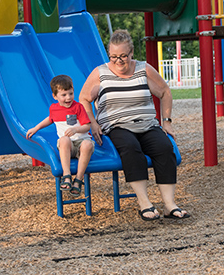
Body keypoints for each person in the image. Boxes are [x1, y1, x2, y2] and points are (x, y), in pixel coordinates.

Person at [79, 29, 190, 221]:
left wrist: (167, 121)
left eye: (123, 56)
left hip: (147, 124)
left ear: (131, 53)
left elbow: (164, 92)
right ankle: (144, 203)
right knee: (131, 147)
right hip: (117, 126)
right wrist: (93, 122)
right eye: (114, 57)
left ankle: (169, 205)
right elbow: (83, 98)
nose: (118, 61)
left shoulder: (143, 68)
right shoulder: (100, 73)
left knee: (165, 147)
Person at [26, 75, 95, 197]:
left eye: (71, 93)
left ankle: (78, 180)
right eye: (64, 95)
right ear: (55, 96)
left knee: (88, 144)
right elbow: (50, 119)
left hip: (81, 143)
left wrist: (76, 129)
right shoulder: (54, 108)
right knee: (63, 139)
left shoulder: (78, 107)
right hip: (67, 146)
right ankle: (67, 175)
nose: (68, 98)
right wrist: (36, 128)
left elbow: (87, 126)